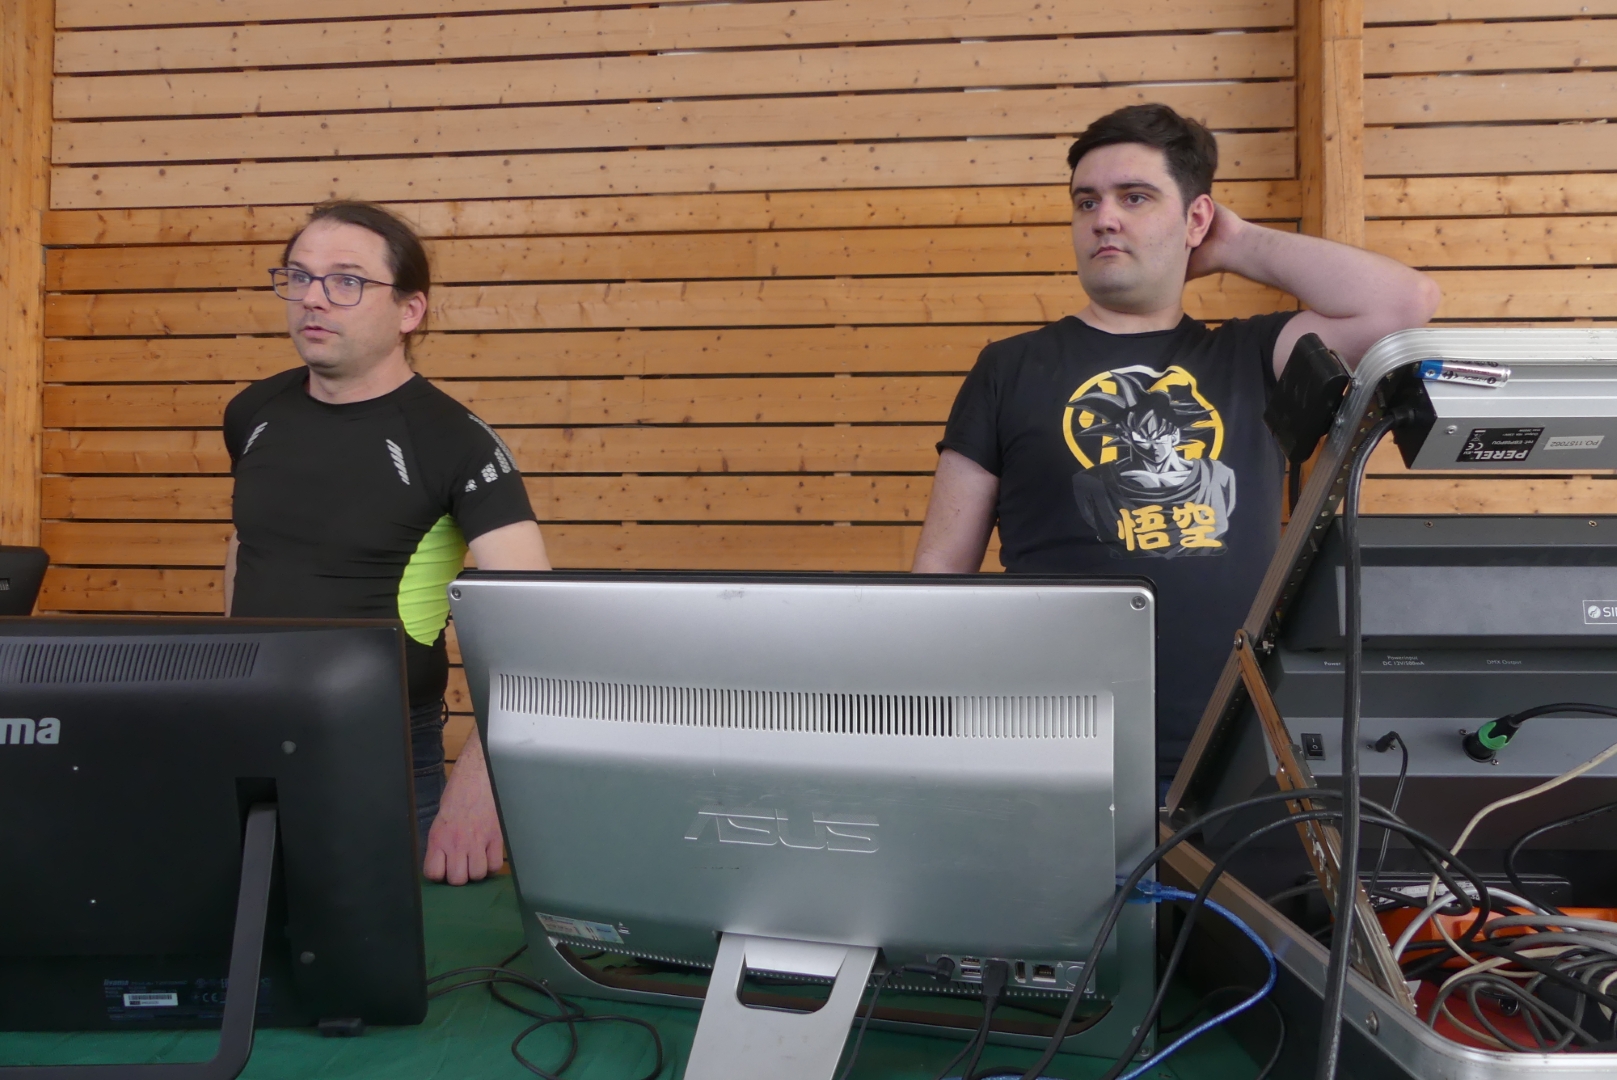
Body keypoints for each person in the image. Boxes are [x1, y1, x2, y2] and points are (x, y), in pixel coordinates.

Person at [912, 104, 1441, 790]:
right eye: (1086, 201)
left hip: (1231, 754)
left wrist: (1235, 244)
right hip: (1051, 752)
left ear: (1196, 219)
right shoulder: (1007, 368)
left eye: (1134, 197)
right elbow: (938, 575)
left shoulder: (1251, 355)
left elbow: (1404, 303)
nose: (1104, 218)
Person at [222, 200, 550, 885]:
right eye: (300, 276)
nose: (313, 298)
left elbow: (536, 631)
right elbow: (249, 546)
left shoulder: (455, 443)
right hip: (249, 736)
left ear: (409, 311)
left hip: (388, 758)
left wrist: (483, 782)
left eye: (346, 280)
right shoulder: (252, 412)